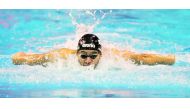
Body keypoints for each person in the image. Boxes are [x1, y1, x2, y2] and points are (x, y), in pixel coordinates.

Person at [12, 34, 175, 69]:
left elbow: (143, 57)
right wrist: (18, 58)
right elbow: (31, 58)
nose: (88, 61)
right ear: (76, 54)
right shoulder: (62, 56)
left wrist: (170, 60)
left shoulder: (116, 57)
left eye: (93, 56)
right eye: (83, 56)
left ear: (101, 54)